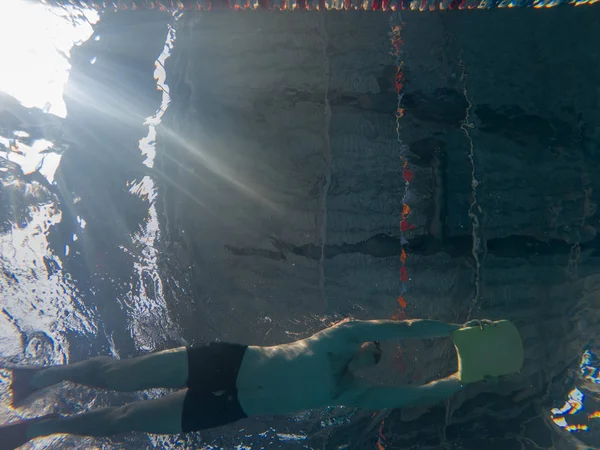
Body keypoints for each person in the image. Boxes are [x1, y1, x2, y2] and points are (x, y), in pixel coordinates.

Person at [0, 318, 492, 449]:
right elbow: (404, 328)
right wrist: (455, 331)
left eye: (380, 357)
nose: (375, 352)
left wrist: (465, 376)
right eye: (376, 346)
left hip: (230, 408)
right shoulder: (340, 335)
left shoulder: (353, 392)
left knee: (124, 420)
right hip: (228, 365)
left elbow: (422, 393)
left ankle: (38, 428)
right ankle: (41, 376)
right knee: (121, 377)